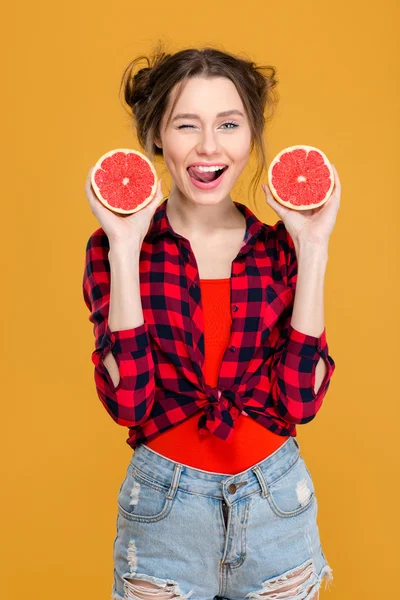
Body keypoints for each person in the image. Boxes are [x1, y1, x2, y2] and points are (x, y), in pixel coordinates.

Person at [83, 43, 340, 600]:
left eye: (228, 123)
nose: (208, 146)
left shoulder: (279, 252)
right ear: (156, 136)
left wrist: (313, 247)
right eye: (185, 125)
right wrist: (126, 250)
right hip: (163, 515)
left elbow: (301, 401)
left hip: (277, 507)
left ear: (250, 137)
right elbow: (129, 405)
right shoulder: (115, 250)